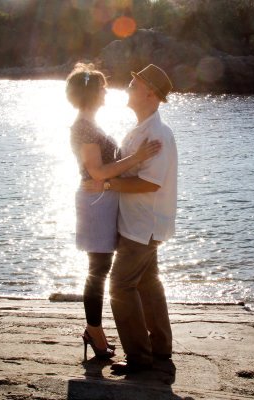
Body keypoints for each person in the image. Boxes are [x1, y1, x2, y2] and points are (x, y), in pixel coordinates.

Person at [84, 64, 177, 374]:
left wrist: (107, 184)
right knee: (148, 284)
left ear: (149, 93)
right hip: (140, 224)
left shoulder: (157, 133)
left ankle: (139, 356)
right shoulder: (141, 129)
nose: (128, 87)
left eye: (134, 83)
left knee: (121, 286)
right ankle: (160, 347)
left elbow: (151, 183)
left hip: (143, 225)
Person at [66, 63, 162, 360]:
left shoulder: (89, 123)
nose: (107, 92)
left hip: (103, 201)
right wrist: (137, 157)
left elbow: (101, 172)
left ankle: (95, 329)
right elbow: (97, 172)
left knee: (101, 268)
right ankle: (94, 330)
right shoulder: (83, 126)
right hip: (96, 203)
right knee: (98, 270)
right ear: (94, 94)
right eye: (103, 89)